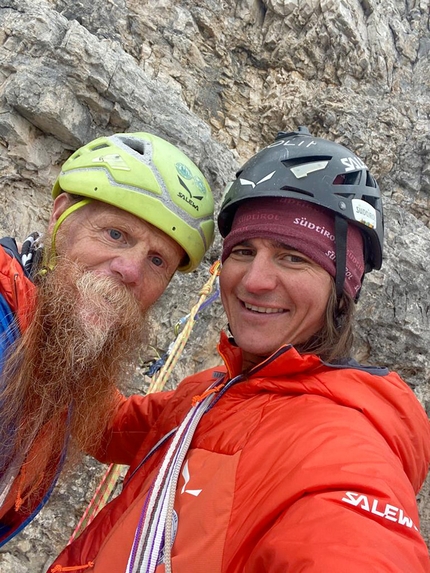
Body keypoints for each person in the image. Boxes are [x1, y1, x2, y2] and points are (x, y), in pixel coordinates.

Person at [49, 128, 430, 573]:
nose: (254, 280)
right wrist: (35, 309)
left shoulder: (343, 450)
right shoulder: (211, 396)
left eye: (293, 257)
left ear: (342, 290)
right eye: (244, 251)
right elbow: (100, 421)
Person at [0, 131, 214, 548]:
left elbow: (111, 421)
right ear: (60, 215)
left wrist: (232, 407)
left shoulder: (54, 348)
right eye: (116, 234)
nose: (130, 270)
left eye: (156, 261)